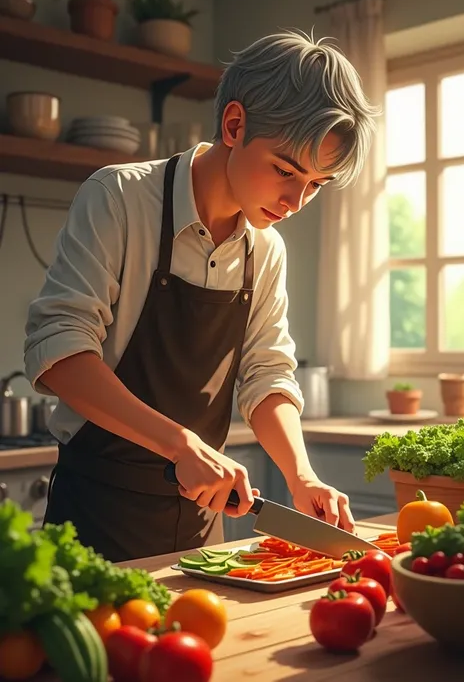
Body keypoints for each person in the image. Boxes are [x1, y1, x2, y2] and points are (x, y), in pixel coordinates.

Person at [24, 29, 378, 563]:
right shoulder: (118, 199)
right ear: (234, 125)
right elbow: (59, 353)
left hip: (198, 532)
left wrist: (300, 475)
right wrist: (182, 444)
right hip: (94, 522)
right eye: (285, 171)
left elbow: (267, 374)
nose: (296, 199)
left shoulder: (267, 250)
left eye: (315, 184)